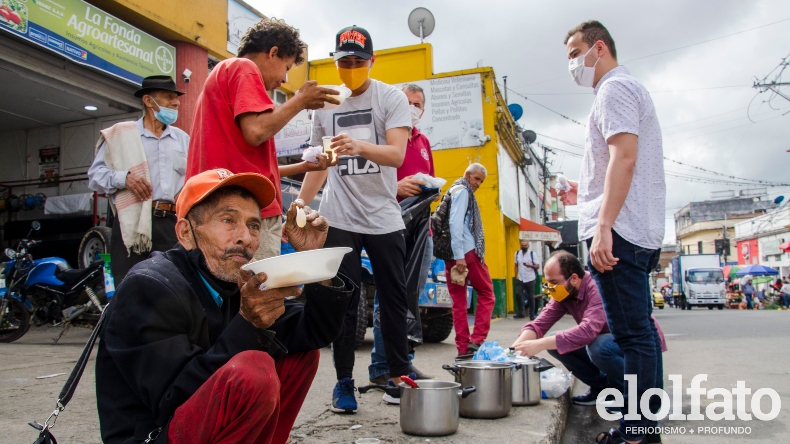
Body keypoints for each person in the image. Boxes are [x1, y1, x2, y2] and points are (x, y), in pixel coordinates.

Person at [95, 169, 354, 444]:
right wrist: (249, 324)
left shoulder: (230, 280)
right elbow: (172, 400)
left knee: (301, 355)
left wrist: (314, 260)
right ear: (186, 233)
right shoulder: (150, 287)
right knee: (252, 370)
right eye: (228, 220)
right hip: (154, 434)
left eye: (253, 225)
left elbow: (314, 332)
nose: (244, 237)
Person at [559, 21, 666, 444]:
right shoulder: (623, 89)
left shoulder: (614, 89)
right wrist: (581, 196)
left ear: (598, 47)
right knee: (638, 333)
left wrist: (602, 225)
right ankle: (645, 430)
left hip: (620, 230)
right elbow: (614, 164)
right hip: (631, 226)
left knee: (631, 336)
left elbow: (625, 159)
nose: (571, 63)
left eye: (574, 52)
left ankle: (636, 432)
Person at [296, 25, 413, 411]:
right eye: (344, 61)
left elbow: (396, 155)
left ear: (372, 61)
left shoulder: (390, 97)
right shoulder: (327, 103)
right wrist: (300, 201)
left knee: (394, 300)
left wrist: (358, 145)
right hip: (340, 216)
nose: (351, 68)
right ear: (335, 61)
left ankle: (398, 375)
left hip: (383, 217)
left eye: (358, 62)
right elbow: (320, 164)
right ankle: (344, 383)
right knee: (344, 302)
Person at [187, 18, 339, 262]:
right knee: (259, 295)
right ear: (273, 52)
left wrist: (303, 167)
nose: (284, 80)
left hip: (223, 207)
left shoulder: (223, 76)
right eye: (287, 67)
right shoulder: (243, 68)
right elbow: (256, 132)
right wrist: (300, 100)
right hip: (239, 210)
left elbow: (250, 170)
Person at [511, 251, 667, 409]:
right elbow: (540, 324)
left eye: (554, 282)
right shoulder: (564, 292)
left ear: (573, 278)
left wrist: (540, 344)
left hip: (636, 340)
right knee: (555, 341)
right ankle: (602, 388)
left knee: (599, 347)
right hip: (607, 339)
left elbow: (588, 331)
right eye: (547, 283)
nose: (551, 288)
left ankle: (631, 396)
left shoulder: (596, 287)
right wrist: (512, 351)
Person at [88, 75, 189, 282]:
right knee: (130, 285)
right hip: (132, 224)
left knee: (174, 285)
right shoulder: (122, 135)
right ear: (148, 101)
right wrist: (124, 178)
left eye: (176, 98)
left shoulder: (183, 139)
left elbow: (194, 176)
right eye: (168, 97)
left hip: (172, 223)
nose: (176, 102)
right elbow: (95, 176)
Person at [368, 83, 436, 384]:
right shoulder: (383, 136)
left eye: (418, 103)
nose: (412, 107)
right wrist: (394, 187)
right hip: (388, 223)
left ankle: (404, 362)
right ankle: (382, 366)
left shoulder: (424, 141)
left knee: (409, 297)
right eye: (407, 101)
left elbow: (429, 179)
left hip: (421, 228)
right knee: (389, 296)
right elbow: (366, 177)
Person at [445, 163, 495, 359]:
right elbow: (455, 223)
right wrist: (460, 255)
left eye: (481, 181)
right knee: (487, 294)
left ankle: (463, 349)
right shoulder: (463, 191)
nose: (478, 184)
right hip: (466, 253)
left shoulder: (451, 190)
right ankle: (476, 341)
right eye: (476, 179)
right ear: (467, 174)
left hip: (451, 255)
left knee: (458, 302)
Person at [514, 239, 539, 319]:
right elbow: (516, 265)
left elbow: (537, 266)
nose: (524, 247)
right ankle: (520, 312)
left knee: (531, 297)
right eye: (522, 245)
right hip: (520, 278)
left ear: (528, 246)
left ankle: (532, 315)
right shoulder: (517, 253)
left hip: (530, 278)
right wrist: (516, 275)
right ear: (520, 246)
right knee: (518, 294)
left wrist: (530, 266)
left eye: (525, 245)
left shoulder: (532, 254)